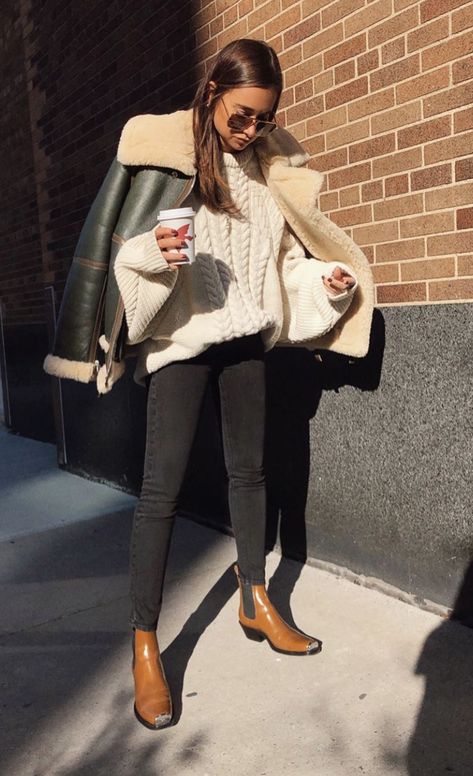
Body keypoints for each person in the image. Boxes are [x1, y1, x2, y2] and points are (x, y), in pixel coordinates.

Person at [44, 38, 374, 730]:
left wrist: (325, 280)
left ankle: (255, 596)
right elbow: (127, 250)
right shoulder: (168, 162)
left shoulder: (263, 174)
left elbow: (279, 266)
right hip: (183, 347)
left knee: (251, 474)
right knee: (160, 493)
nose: (251, 129)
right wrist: (154, 255)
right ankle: (143, 643)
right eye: (243, 115)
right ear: (213, 90)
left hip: (248, 337)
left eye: (264, 119)